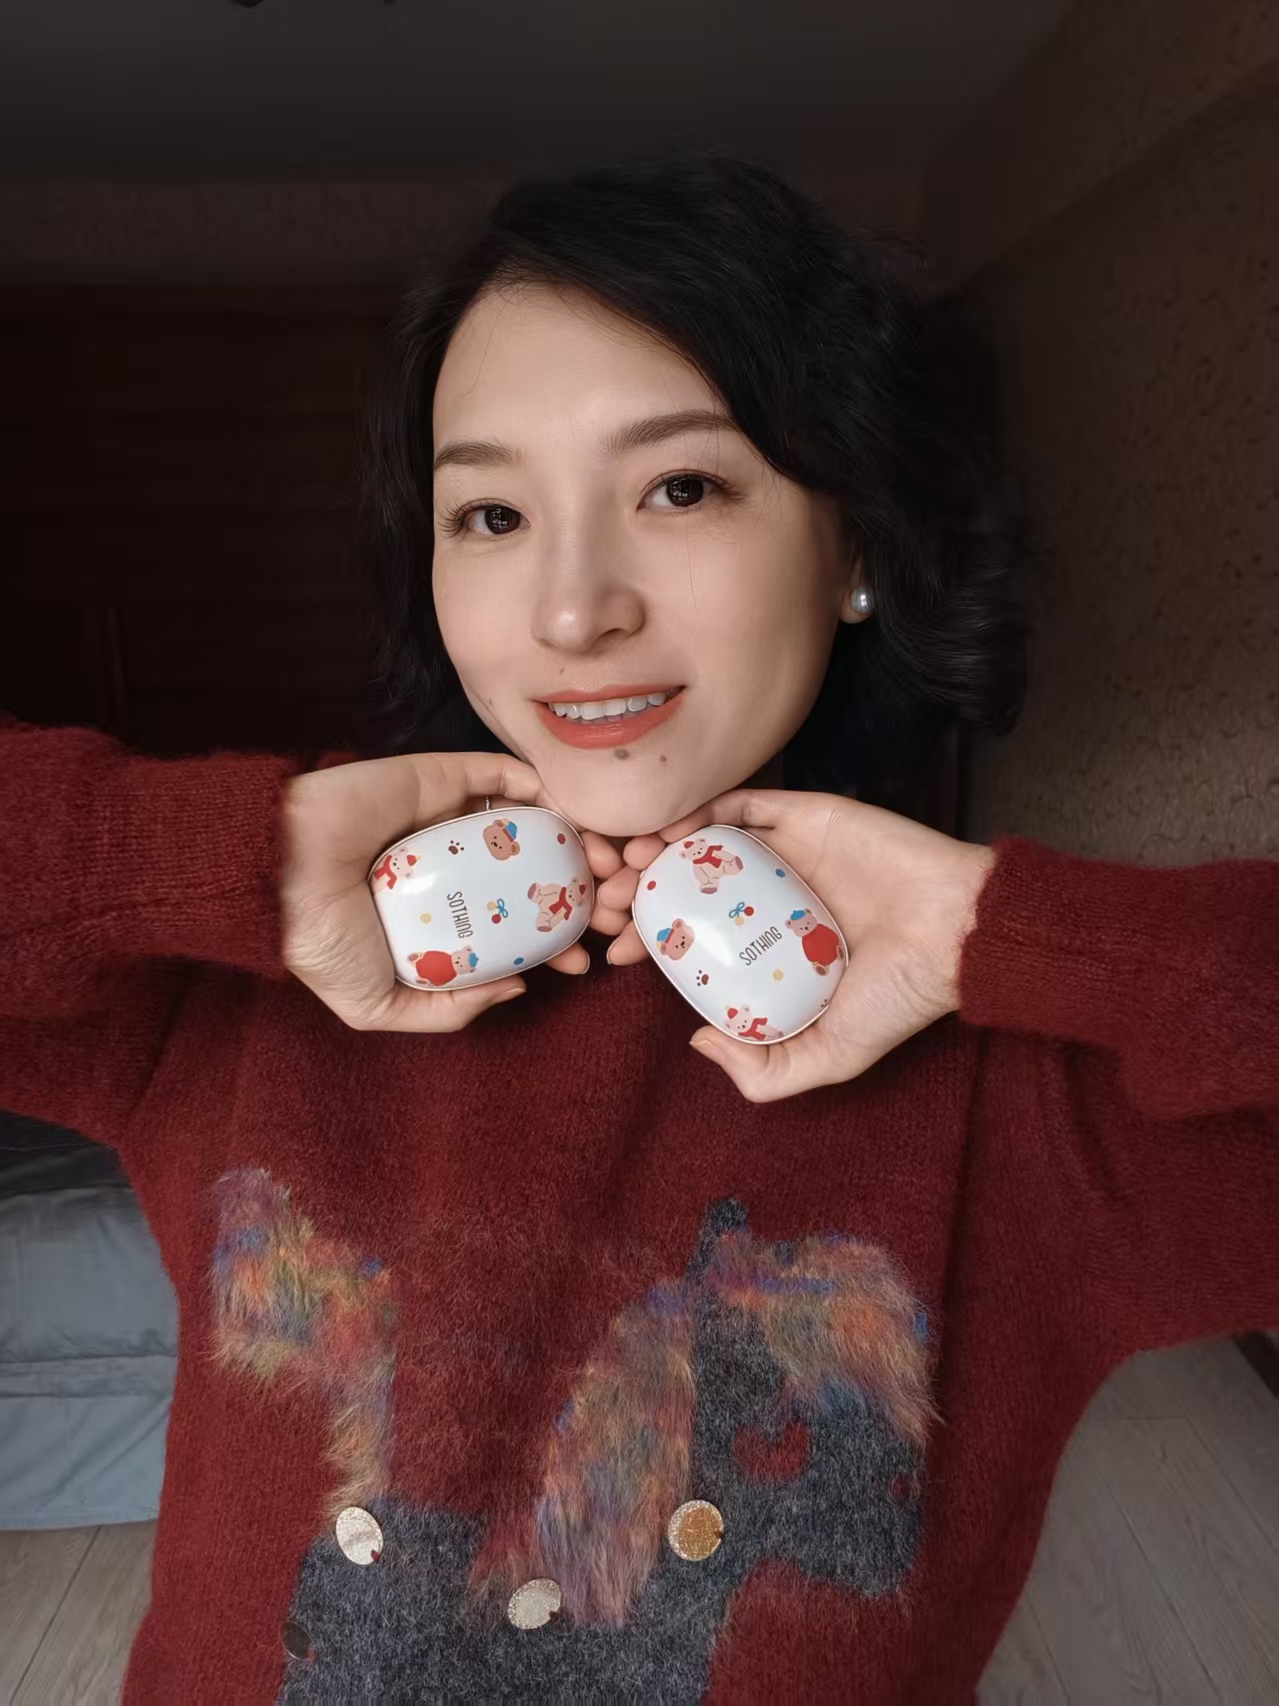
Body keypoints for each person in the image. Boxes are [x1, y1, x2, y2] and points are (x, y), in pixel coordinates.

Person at [1, 151, 1275, 1705]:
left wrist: (996, 929)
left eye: (682, 487)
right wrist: (220, 860)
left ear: (859, 545)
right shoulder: (241, 980)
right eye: (489, 511)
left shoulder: (1024, 1087)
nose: (570, 609)